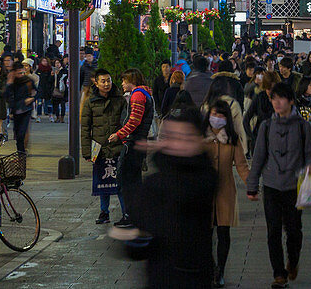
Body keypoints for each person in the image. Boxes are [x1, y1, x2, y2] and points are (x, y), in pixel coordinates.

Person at [127, 107, 217, 288]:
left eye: (186, 137)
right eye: (172, 136)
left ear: (199, 141)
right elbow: (138, 222)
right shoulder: (156, 179)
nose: (178, 143)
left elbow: (183, 197)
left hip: (193, 275)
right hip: (159, 275)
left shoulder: (205, 177)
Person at [246, 82, 311, 289]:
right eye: (273, 98)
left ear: (291, 101)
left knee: (294, 231)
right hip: (271, 185)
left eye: (281, 98)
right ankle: (279, 273)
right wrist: (252, 186)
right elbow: (258, 157)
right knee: (273, 231)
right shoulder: (266, 127)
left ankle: (293, 261)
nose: (276, 102)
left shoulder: (304, 126)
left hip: (297, 186)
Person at [204, 100, 250, 287]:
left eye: (222, 115)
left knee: (223, 231)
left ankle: (220, 270)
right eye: (215, 114)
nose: (217, 118)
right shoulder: (200, 137)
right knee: (205, 234)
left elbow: (242, 166)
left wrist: (252, 185)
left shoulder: (232, 138)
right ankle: (210, 267)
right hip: (203, 193)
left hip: (225, 191)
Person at [110, 69, 154, 233]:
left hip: (133, 142)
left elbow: (134, 121)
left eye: (124, 80)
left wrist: (119, 134)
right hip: (140, 141)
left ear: (131, 80)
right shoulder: (146, 93)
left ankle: (130, 215)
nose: (122, 84)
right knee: (134, 180)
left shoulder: (137, 95)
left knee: (126, 180)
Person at [81, 68, 127, 224]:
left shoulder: (119, 99)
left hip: (117, 146)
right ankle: (104, 212)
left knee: (120, 181)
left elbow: (125, 122)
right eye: (103, 81)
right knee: (103, 182)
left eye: (109, 80)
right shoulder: (90, 102)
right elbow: (85, 128)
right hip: (100, 148)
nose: (107, 84)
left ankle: (126, 213)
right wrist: (87, 151)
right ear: (96, 82)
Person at [243, 70, 279, 159]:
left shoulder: (284, 98)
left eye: (273, 89)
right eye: (268, 88)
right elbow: (246, 119)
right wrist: (252, 137)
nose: (270, 91)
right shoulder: (260, 97)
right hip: (260, 141)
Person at [4, 62, 36, 153]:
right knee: (17, 134)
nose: (21, 75)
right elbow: (6, 96)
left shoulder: (28, 81)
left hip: (26, 110)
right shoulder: (12, 83)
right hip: (15, 110)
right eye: (19, 73)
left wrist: (31, 98)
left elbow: (37, 92)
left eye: (23, 72)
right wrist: (9, 83)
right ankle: (20, 152)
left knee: (22, 133)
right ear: (14, 73)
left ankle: (21, 153)